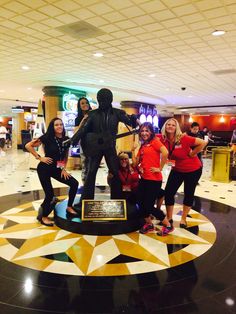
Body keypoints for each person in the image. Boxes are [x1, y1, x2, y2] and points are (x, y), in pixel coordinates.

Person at [65, 88, 138, 208]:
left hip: (110, 148)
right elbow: (83, 129)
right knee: (90, 173)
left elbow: (131, 123)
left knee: (115, 172)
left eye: (105, 99)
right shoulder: (92, 114)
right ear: (98, 100)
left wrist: (134, 119)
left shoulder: (117, 113)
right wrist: (73, 140)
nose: (102, 102)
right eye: (100, 100)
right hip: (95, 148)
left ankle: (118, 201)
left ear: (110, 100)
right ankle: (85, 202)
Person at [25, 117, 79, 226]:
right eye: (56, 125)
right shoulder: (47, 137)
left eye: (61, 124)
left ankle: (69, 206)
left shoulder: (66, 139)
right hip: (44, 168)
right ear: (53, 127)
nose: (59, 126)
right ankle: (44, 217)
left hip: (56, 168)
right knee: (49, 194)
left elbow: (65, 156)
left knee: (74, 183)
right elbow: (28, 145)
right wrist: (39, 157)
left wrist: (63, 168)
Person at [159, 118, 206, 228]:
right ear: (165, 127)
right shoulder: (162, 139)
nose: (170, 126)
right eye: (168, 124)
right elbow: (149, 136)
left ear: (176, 128)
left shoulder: (183, 138)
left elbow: (202, 142)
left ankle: (183, 219)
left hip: (193, 169)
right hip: (177, 169)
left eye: (173, 125)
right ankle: (169, 217)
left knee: (188, 193)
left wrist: (193, 153)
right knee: (169, 192)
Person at [133, 122, 174, 236]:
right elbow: (136, 163)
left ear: (151, 132)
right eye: (142, 131)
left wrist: (159, 168)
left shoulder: (155, 141)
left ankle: (168, 225)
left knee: (149, 206)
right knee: (140, 203)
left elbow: (165, 152)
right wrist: (134, 150)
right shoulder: (143, 145)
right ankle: (149, 224)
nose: (144, 133)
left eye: (147, 130)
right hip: (144, 178)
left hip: (154, 180)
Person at [74, 97, 92, 185]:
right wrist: (84, 119)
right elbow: (76, 132)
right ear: (79, 106)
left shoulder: (93, 115)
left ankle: (91, 184)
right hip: (84, 144)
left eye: (86, 103)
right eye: (82, 103)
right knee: (85, 164)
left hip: (94, 144)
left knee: (93, 165)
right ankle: (85, 185)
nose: (85, 105)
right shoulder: (78, 119)